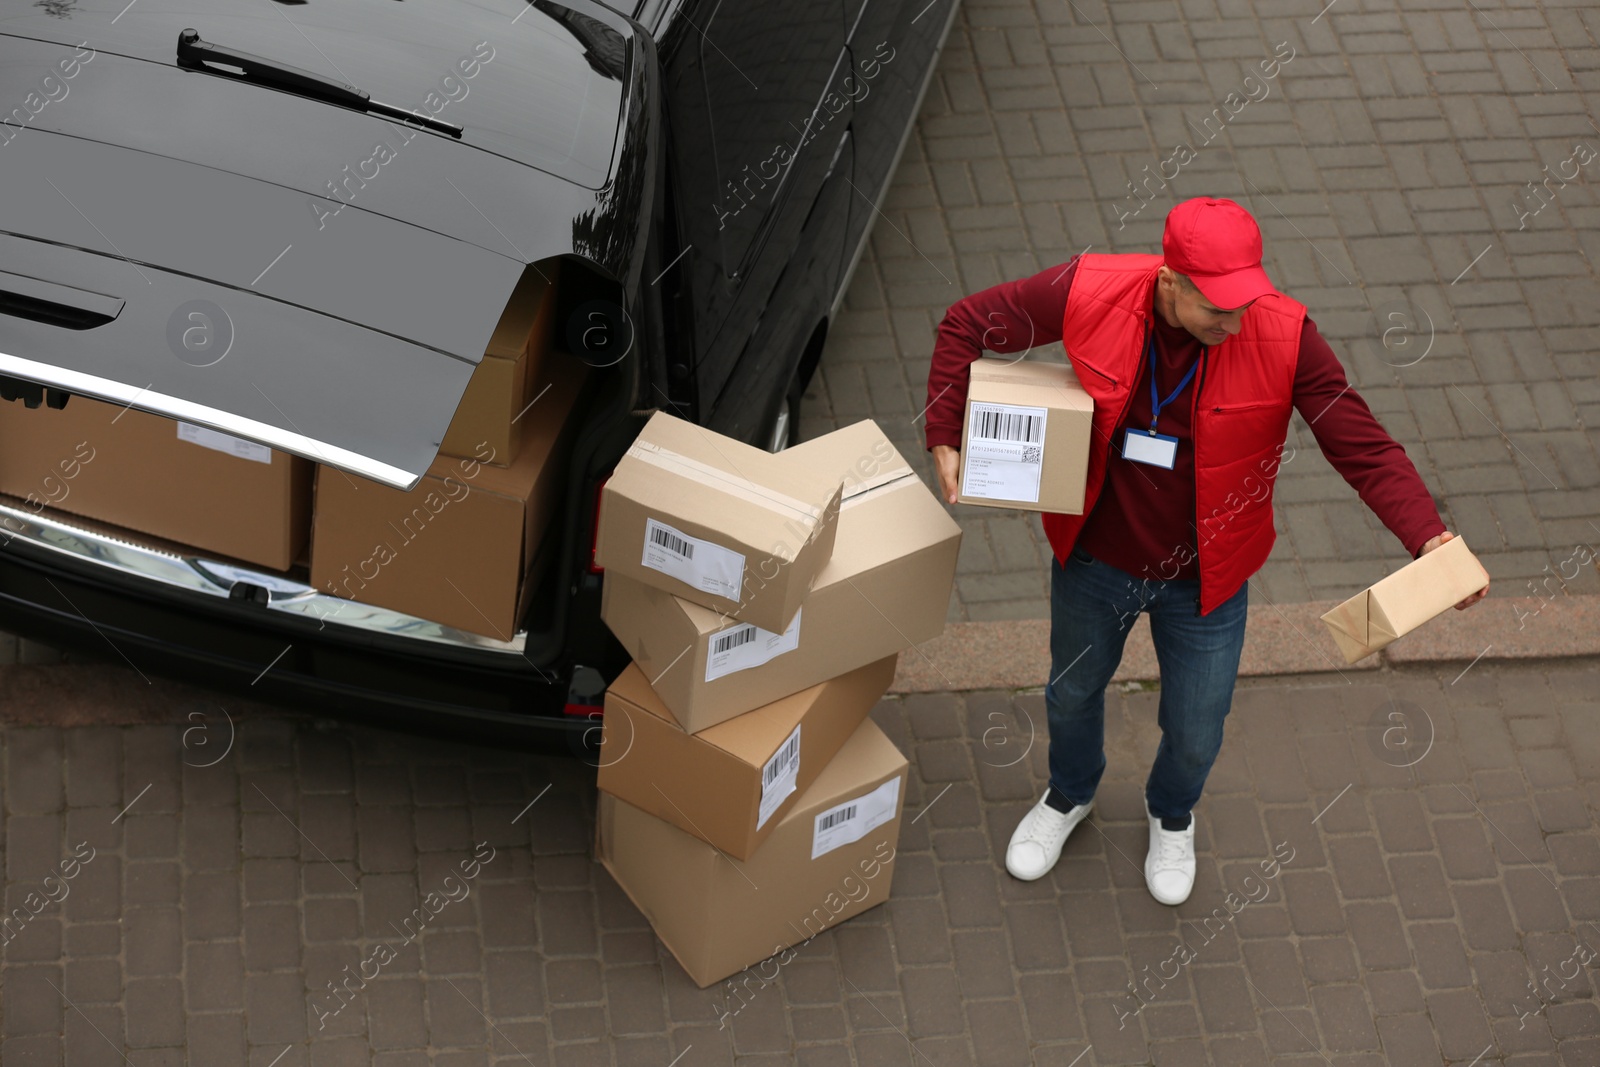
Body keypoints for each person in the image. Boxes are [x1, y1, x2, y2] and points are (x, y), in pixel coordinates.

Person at [922, 197, 1488, 905]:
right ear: (1169, 281)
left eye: (1245, 301)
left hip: (1206, 583)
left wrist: (1427, 534)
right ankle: (1069, 795)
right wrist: (945, 426)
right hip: (1094, 562)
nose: (1236, 321)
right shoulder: (1089, 288)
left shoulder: (1283, 332)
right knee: (1070, 694)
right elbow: (966, 321)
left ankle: (1171, 813)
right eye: (1217, 308)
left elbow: (1360, 442)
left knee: (1196, 728)